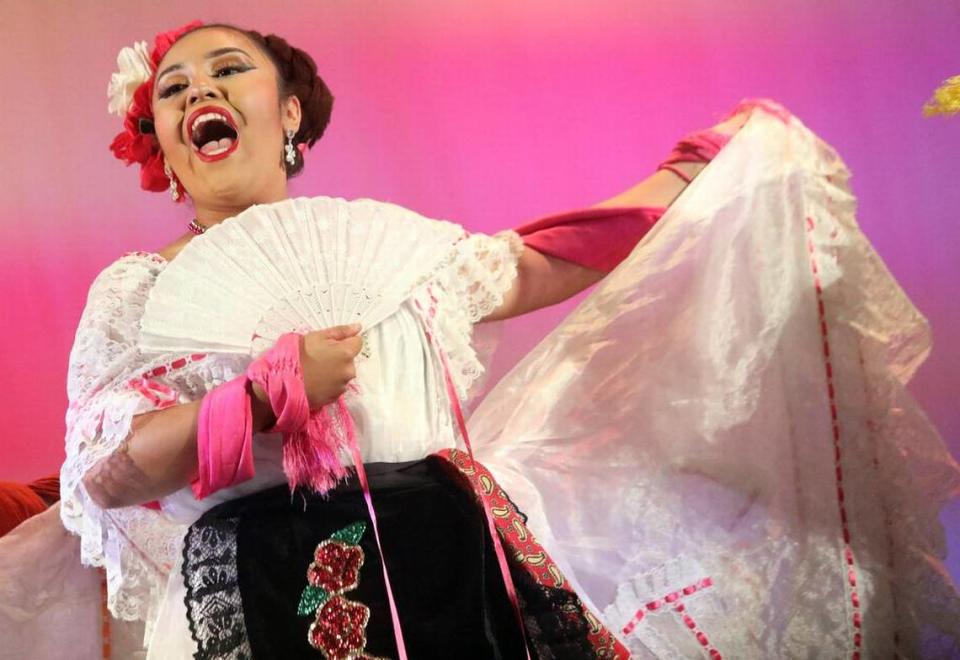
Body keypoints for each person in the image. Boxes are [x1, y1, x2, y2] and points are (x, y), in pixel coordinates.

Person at [1, 18, 957, 660]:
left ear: (288, 113)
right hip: (254, 590)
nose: (196, 91)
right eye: (172, 89)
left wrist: (694, 175)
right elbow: (109, 473)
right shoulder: (139, 290)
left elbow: (544, 258)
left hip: (449, 566)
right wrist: (254, 403)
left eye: (226, 69)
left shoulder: (394, 249)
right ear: (165, 142)